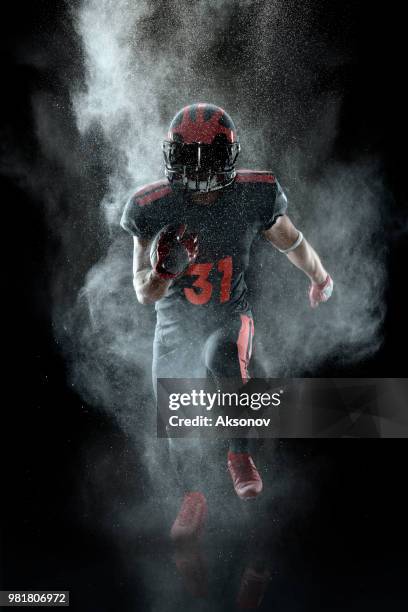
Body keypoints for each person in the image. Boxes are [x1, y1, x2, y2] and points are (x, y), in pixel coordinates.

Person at [121, 102, 333, 543]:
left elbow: (291, 241)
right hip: (176, 323)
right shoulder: (149, 206)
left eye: (209, 158)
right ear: (173, 158)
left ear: (228, 158)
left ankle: (239, 454)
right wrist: (163, 271)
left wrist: (320, 276)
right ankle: (192, 496)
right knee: (175, 410)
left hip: (228, 313)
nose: (198, 173)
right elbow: (143, 293)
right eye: (189, 159)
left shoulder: (254, 194)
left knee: (224, 355)